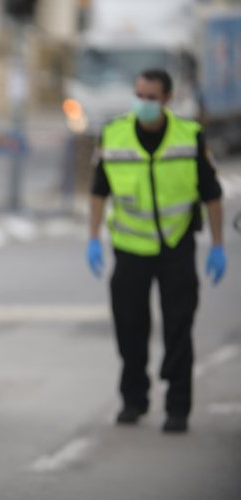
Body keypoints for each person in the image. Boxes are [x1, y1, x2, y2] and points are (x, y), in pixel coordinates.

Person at [86, 68, 227, 434]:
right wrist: (92, 238)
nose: (143, 103)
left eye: (151, 97)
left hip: (176, 245)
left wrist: (217, 245)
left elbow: (212, 194)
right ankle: (133, 400)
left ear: (167, 99)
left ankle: (177, 408)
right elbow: (99, 190)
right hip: (130, 247)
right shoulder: (114, 136)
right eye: (139, 95)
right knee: (130, 329)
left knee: (178, 328)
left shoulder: (189, 136)